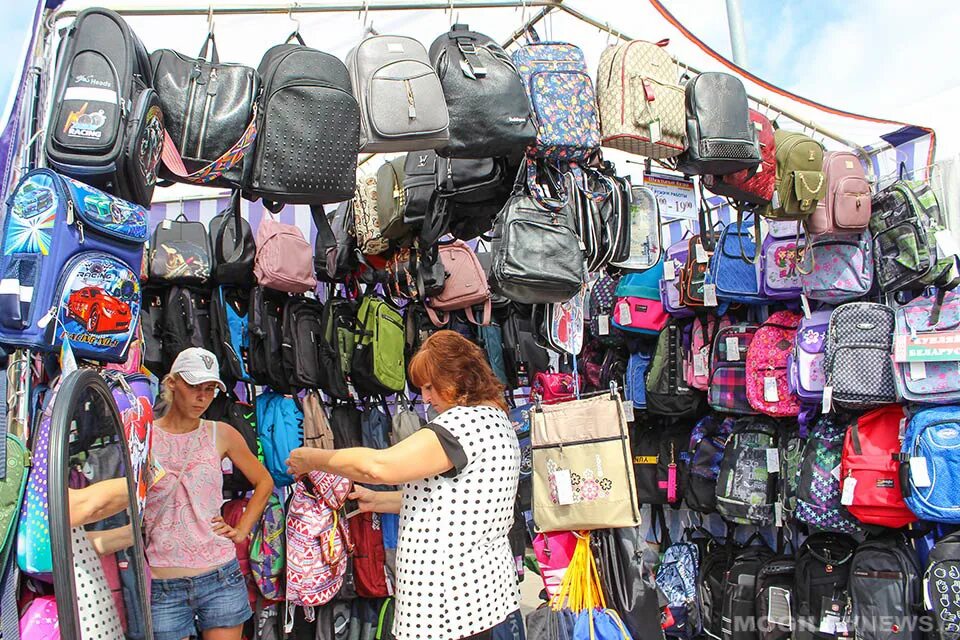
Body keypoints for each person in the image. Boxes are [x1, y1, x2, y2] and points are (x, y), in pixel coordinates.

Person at [287, 330, 521, 640]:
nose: (425, 398)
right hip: (479, 594)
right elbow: (459, 502)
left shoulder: (460, 425)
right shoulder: (495, 420)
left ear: (458, 377)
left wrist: (313, 458)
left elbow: (378, 466)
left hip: (446, 604)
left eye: (429, 386)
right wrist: (379, 501)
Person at [145, 347, 274, 640]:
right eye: (194, 387)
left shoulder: (221, 433)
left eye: (209, 389)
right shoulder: (146, 435)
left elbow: (264, 481)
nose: (202, 397)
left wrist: (242, 529)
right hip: (164, 581)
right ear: (172, 383)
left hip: (219, 575)